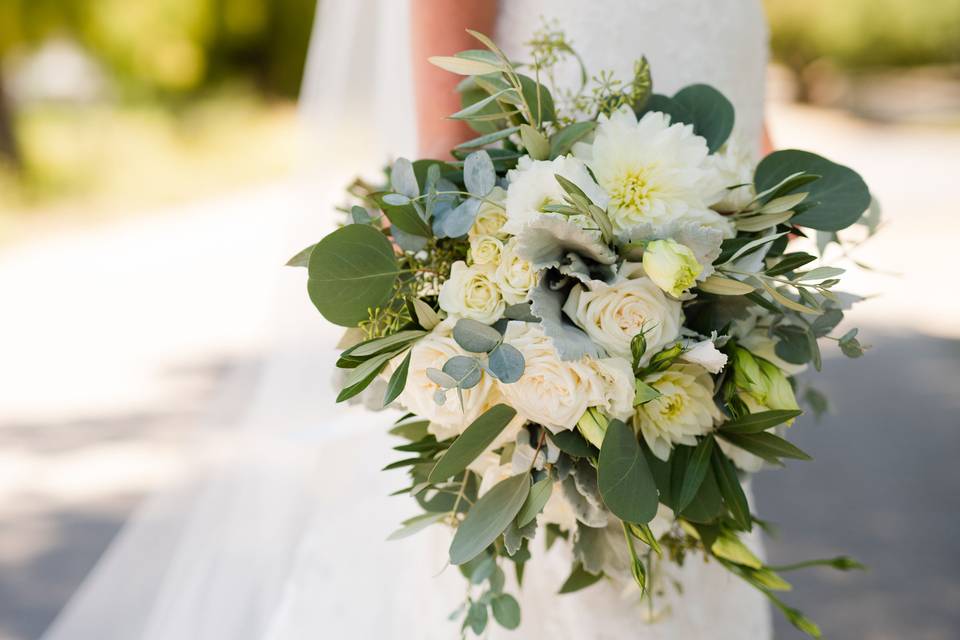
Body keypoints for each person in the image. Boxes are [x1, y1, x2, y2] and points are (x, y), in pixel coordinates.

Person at [43, 1, 773, 637]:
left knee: (679, 508)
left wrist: (761, 159)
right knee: (561, 539)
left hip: (707, 174)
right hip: (564, 180)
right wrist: (464, 250)